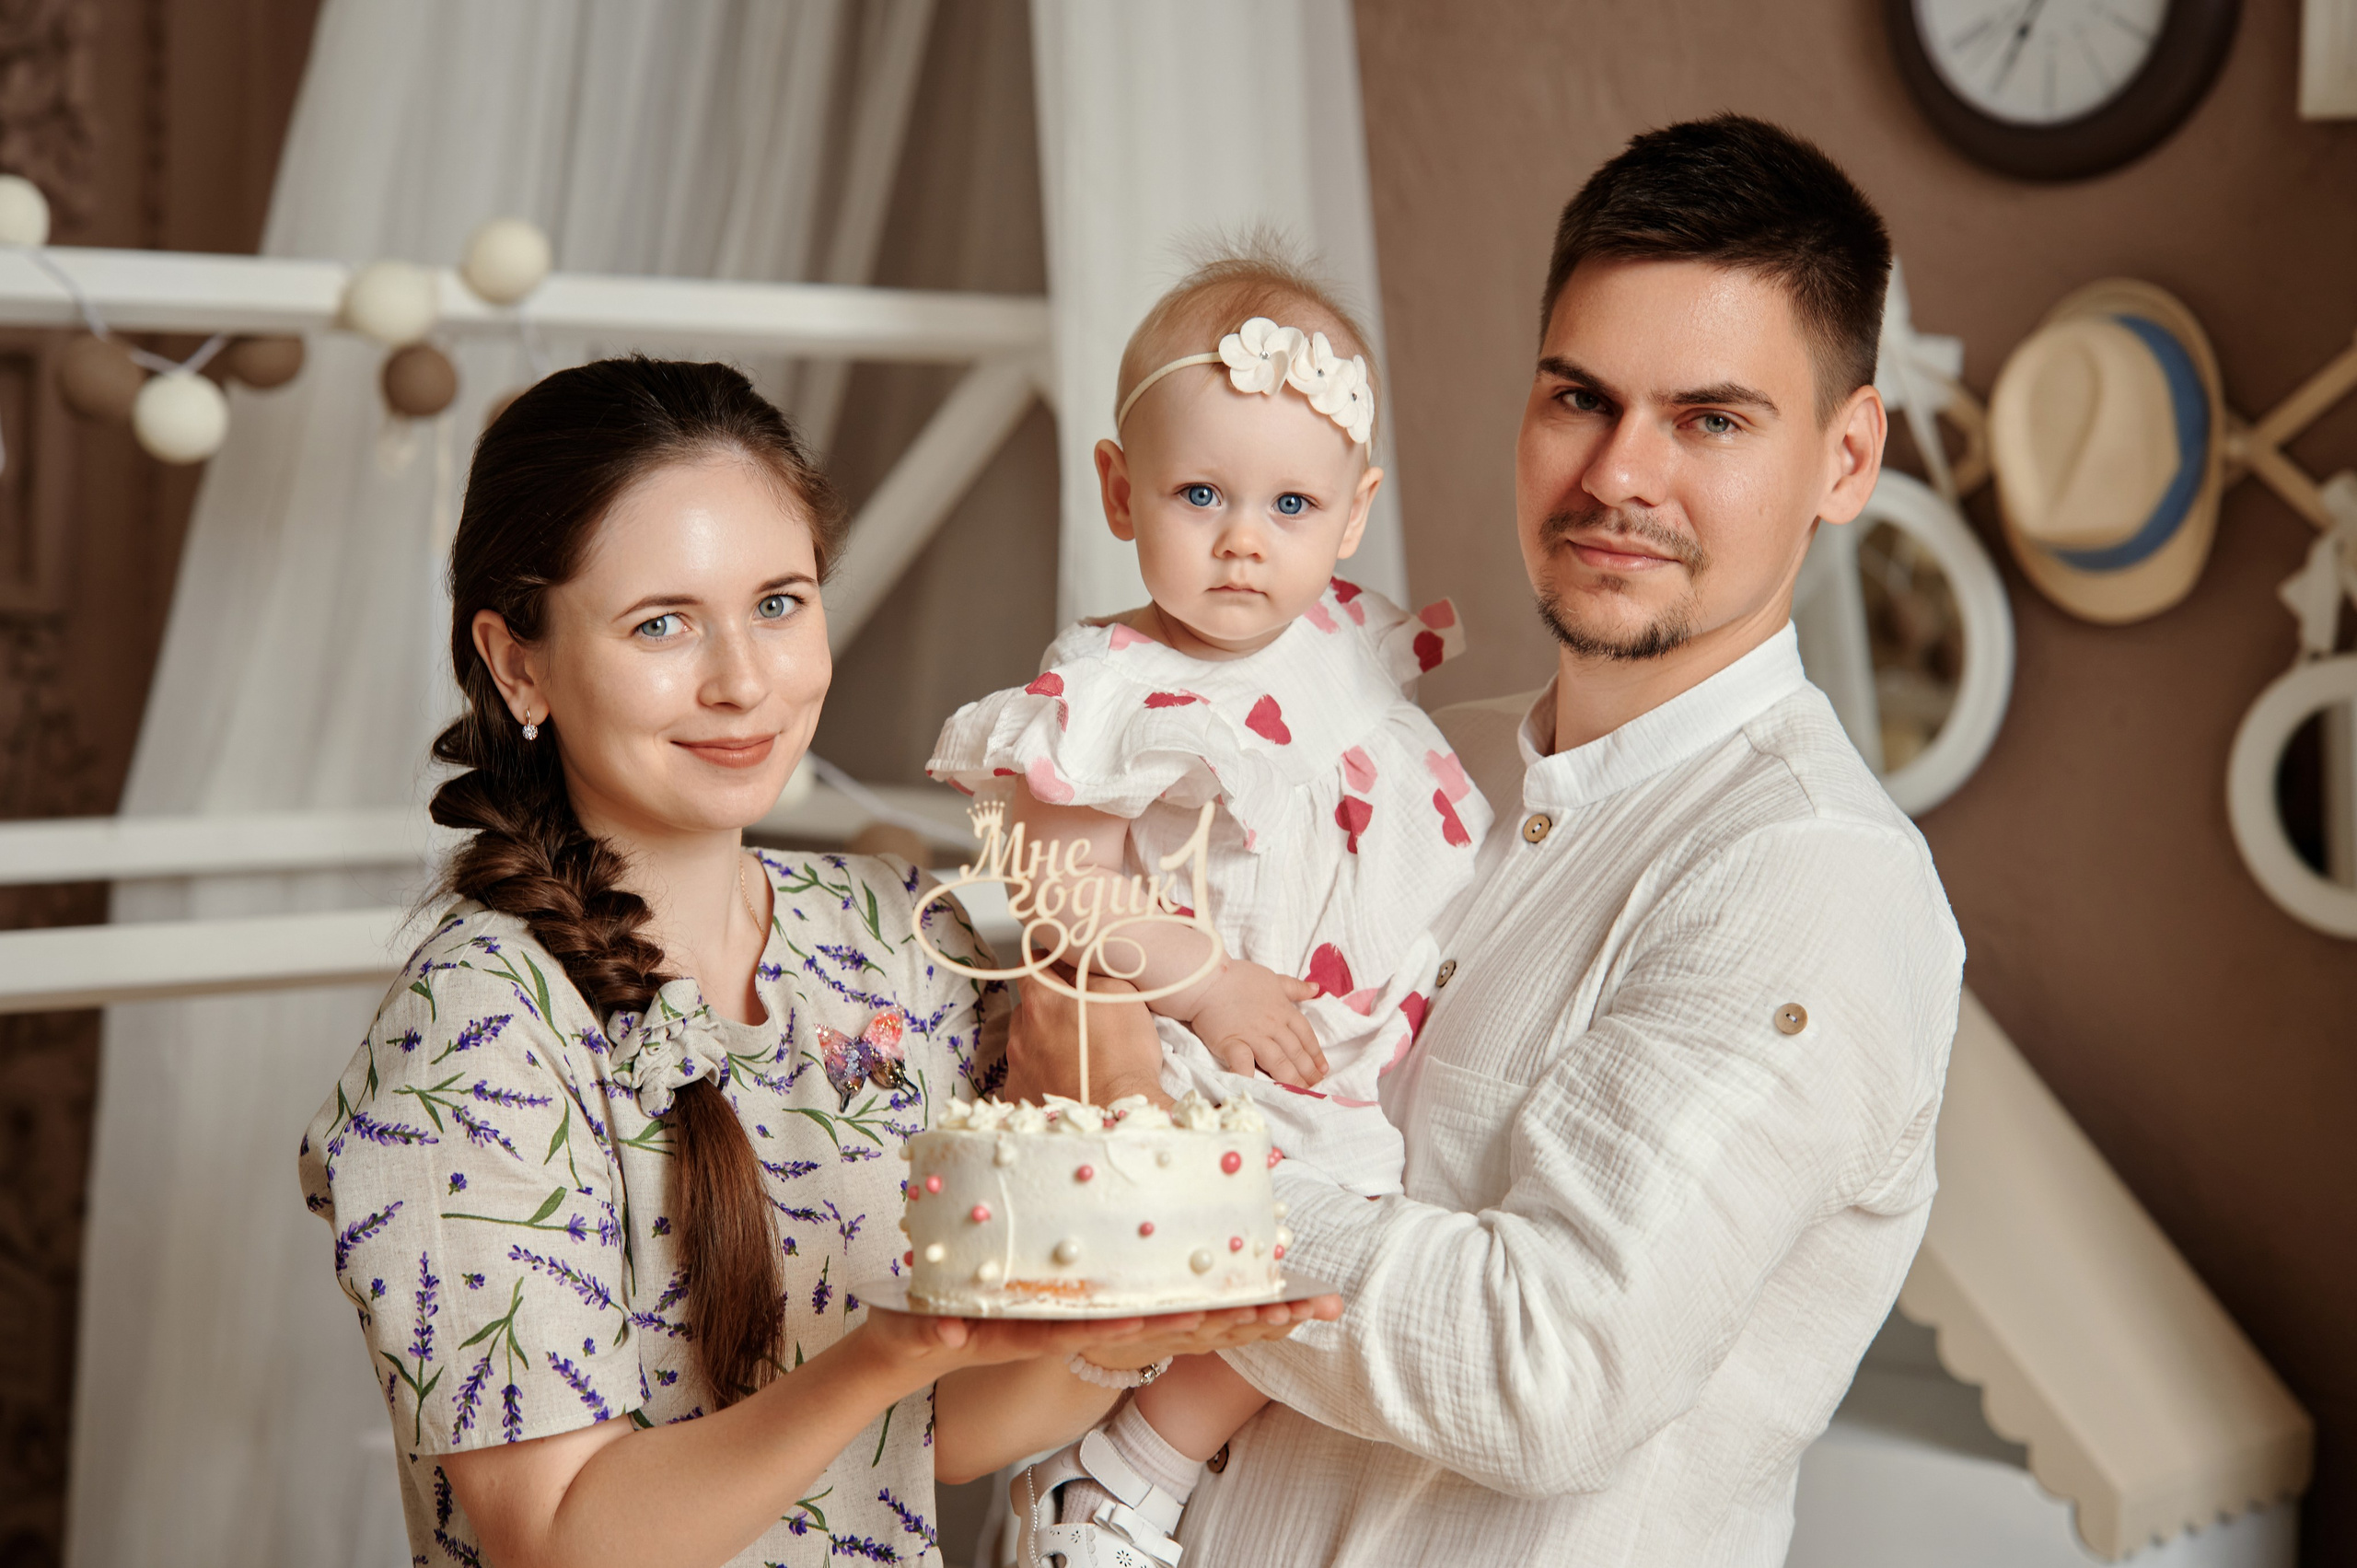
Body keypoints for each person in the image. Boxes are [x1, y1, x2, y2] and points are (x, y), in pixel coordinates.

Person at [1009, 115, 1968, 1566]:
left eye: (1711, 419)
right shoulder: (1405, 767)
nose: (1619, 476)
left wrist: (1144, 1183)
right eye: (1581, 398)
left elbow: (1545, 1371)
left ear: (1846, 459)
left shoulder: (1810, 878)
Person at [296, 357, 1331, 1568]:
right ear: (516, 662)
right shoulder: (476, 1030)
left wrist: (1132, 1317)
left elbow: (944, 1433)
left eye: (780, 602)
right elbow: (559, 1542)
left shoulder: (901, 943)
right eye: (662, 624)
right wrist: (887, 1352)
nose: (744, 681)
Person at [925, 253, 1493, 1563]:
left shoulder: (1342, 638)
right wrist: (1205, 983)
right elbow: (1051, 865)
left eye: (1291, 502)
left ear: (1353, 516)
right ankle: (1117, 1475)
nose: (1245, 538)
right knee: (1258, 1260)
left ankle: (1146, 1453)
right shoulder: (1116, 686)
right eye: (1200, 494)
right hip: (1203, 1043)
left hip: (1347, 1036)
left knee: (1342, 1262)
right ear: (1122, 491)